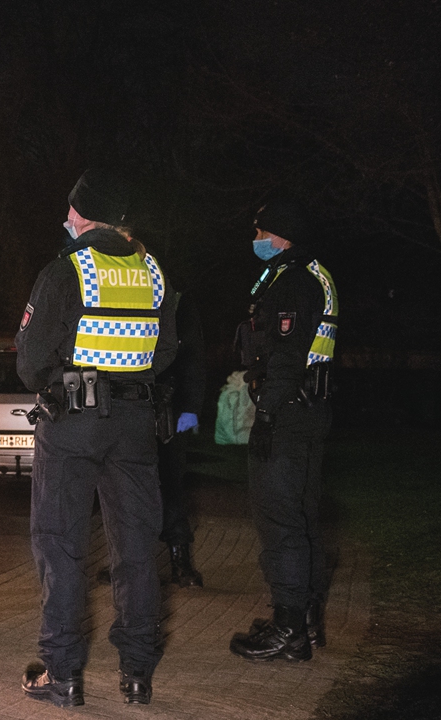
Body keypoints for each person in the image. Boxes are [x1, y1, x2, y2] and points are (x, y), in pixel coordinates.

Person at [15, 169, 177, 707]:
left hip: (73, 422)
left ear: (82, 215)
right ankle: (136, 675)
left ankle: (62, 674)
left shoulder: (68, 269)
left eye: (70, 210)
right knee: (135, 547)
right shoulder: (152, 270)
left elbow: (31, 359)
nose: (67, 218)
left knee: (61, 544)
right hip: (135, 425)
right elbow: (167, 351)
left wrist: (62, 374)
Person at [229, 198, 338, 662]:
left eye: (260, 232)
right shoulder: (314, 274)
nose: (255, 239)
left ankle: (288, 628)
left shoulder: (292, 282)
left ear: (280, 236)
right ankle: (306, 619)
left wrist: (266, 413)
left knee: (280, 519)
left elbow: (287, 358)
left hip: (288, 414)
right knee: (303, 516)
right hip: (311, 412)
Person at [155, 291, 207, 587]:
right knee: (134, 490)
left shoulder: (176, 301)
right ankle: (133, 563)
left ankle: (180, 560)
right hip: (136, 408)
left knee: (170, 486)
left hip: (167, 408)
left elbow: (194, 356)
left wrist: (190, 408)